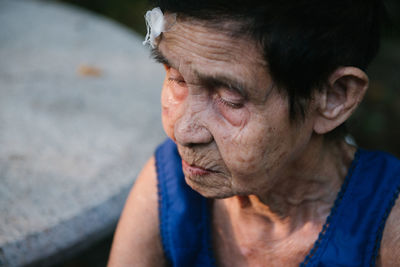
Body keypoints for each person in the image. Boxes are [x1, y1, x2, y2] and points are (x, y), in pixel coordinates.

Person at [108, 0, 400, 266]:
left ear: (332, 97)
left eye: (230, 97)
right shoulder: (169, 185)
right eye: (176, 78)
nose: (183, 132)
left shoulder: (388, 227)